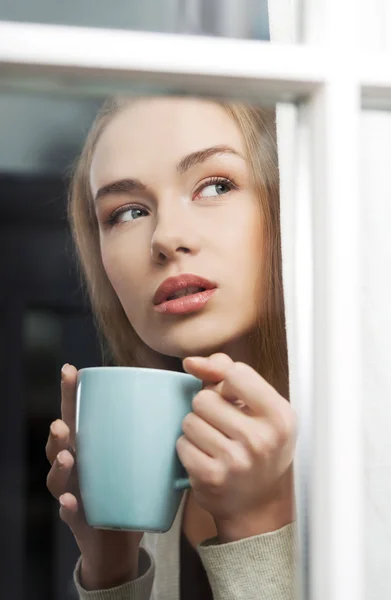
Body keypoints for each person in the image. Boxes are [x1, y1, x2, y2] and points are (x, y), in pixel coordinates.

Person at [45, 96, 298, 599]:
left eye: (216, 186)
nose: (167, 238)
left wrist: (257, 527)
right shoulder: (159, 459)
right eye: (128, 212)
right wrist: (111, 569)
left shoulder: (373, 451)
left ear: (286, 202)